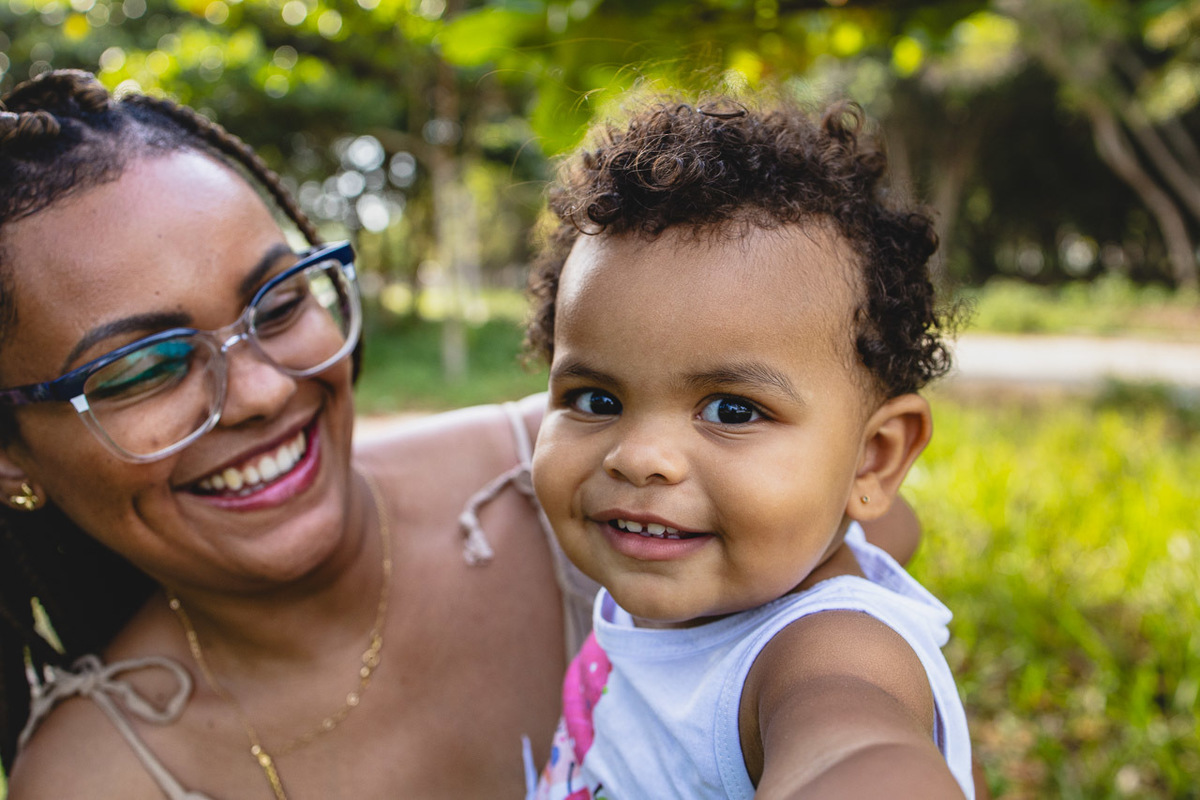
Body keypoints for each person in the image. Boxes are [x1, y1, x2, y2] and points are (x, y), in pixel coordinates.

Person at [0, 70, 923, 799]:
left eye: (277, 302)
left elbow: (851, 674)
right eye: (141, 368)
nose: (255, 391)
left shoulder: (592, 486)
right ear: (12, 460)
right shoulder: (97, 776)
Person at [526, 96, 974, 799]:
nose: (638, 457)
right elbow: (895, 525)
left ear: (875, 458)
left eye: (732, 410)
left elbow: (855, 751)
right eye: (596, 400)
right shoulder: (783, 547)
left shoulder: (817, 658)